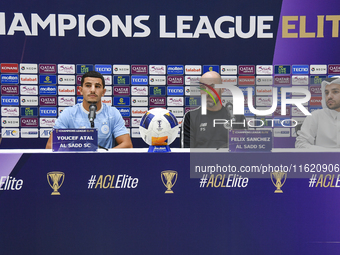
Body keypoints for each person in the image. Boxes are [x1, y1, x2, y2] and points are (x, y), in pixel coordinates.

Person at [46, 71, 132, 149]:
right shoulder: (68, 113)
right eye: (88, 86)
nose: (93, 90)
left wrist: (103, 156)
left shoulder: (113, 113)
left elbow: (127, 145)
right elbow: (51, 146)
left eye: (97, 86)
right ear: (80, 90)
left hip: (104, 164)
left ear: (103, 92)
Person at [181, 71, 247, 148]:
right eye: (203, 88)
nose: (207, 93)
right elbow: (186, 154)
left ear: (222, 89)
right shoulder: (191, 117)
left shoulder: (237, 118)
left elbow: (243, 151)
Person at [295, 77, 340, 148]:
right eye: (326, 93)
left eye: (335, 92)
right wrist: (328, 153)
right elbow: (301, 144)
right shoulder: (315, 116)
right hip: (322, 159)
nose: (329, 96)